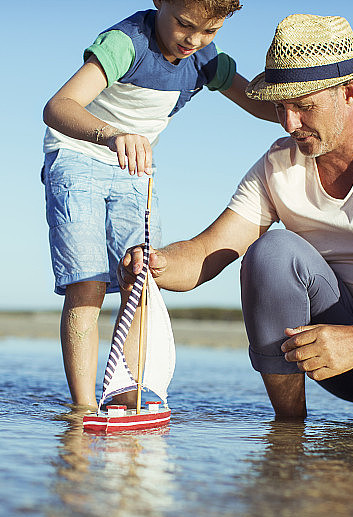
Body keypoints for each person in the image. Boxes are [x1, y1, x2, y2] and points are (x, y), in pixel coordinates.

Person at [120, 14, 353, 429]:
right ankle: (288, 432)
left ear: (349, 92)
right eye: (280, 107)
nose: (289, 123)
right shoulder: (278, 166)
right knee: (272, 252)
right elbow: (207, 251)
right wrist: (158, 262)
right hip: (334, 352)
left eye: (303, 106)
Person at [41, 0, 277, 408]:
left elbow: (259, 104)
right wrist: (112, 135)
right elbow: (57, 107)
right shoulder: (125, 43)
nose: (194, 40)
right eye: (185, 24)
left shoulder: (205, 59)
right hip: (78, 155)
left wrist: (314, 115)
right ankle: (82, 408)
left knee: (141, 276)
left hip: (134, 170)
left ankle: (126, 396)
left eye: (209, 31)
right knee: (88, 282)